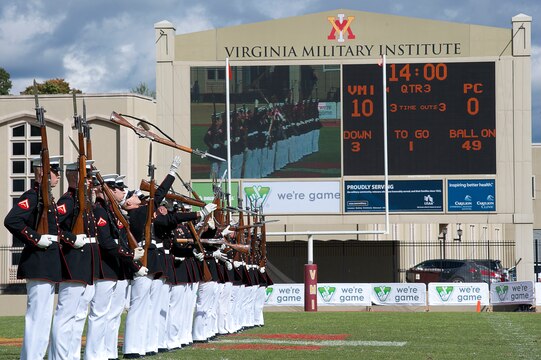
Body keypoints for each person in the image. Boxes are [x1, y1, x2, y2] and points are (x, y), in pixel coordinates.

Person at [4, 156, 77, 360]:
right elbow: (12, 220)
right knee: (38, 317)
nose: (58, 175)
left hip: (47, 263)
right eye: (54, 171)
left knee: (44, 317)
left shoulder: (46, 198)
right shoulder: (33, 196)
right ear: (42, 172)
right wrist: (36, 238)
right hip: (39, 262)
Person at [49, 160, 100, 360]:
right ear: (75, 177)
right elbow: (52, 226)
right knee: (65, 316)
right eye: (85, 176)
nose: (90, 180)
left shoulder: (83, 202)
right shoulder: (68, 201)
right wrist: (71, 239)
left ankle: (71, 356)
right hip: (72, 263)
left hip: (83, 263)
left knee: (78, 316)